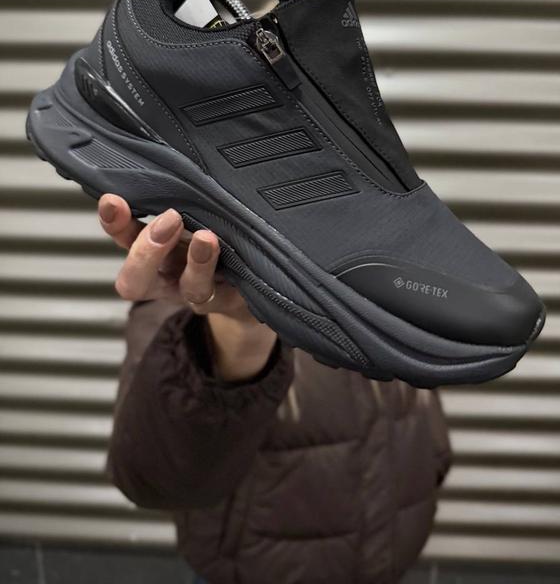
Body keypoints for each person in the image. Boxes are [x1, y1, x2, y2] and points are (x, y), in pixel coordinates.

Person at [100, 193, 452, 584]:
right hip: (255, 568)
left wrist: (434, 456)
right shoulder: (194, 267)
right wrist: (240, 330)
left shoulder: (379, 249)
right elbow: (157, 479)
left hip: (389, 552)